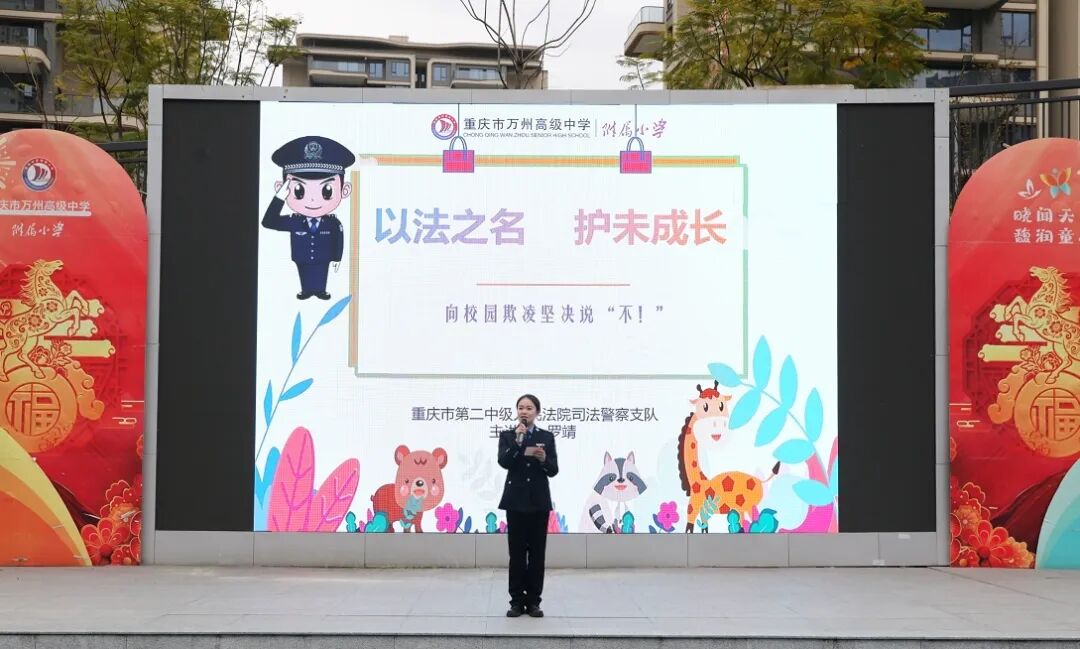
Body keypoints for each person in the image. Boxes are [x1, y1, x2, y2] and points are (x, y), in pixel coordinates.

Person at [262, 136, 354, 300]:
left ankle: (320, 291)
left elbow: (338, 241)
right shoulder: (295, 221)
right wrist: (279, 198)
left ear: (344, 190)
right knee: (304, 272)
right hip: (302, 258)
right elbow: (268, 222)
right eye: (299, 190)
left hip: (323, 258)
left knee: (321, 273)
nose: (312, 200)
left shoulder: (333, 223)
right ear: (281, 188)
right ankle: (306, 290)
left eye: (327, 191)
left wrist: (337, 258)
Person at [497, 393, 558, 618]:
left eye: (529, 408)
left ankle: (533, 602)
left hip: (538, 502)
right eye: (521, 407)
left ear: (537, 412)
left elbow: (553, 469)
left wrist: (543, 459)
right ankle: (516, 601)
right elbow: (504, 462)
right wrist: (518, 442)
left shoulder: (546, 437)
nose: (524, 411)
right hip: (515, 502)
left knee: (537, 554)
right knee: (517, 554)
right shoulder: (508, 435)